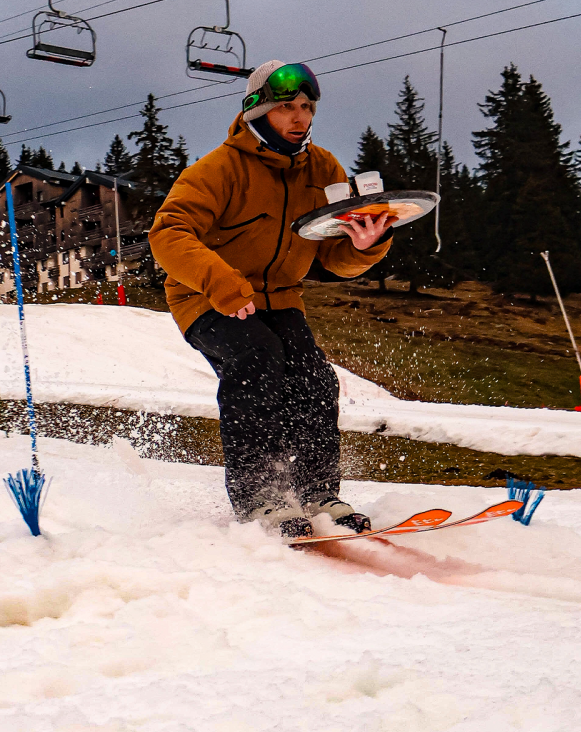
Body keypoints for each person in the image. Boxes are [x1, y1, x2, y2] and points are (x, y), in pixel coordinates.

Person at [149, 61, 397, 539]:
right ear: (258, 111)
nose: (300, 116)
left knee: (314, 379)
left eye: (307, 107)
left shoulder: (323, 169)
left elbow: (332, 256)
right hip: (206, 296)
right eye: (287, 107)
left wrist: (365, 246)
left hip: (281, 297)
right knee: (258, 359)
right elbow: (168, 233)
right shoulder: (218, 169)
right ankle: (258, 498)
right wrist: (220, 283)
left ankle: (317, 492)